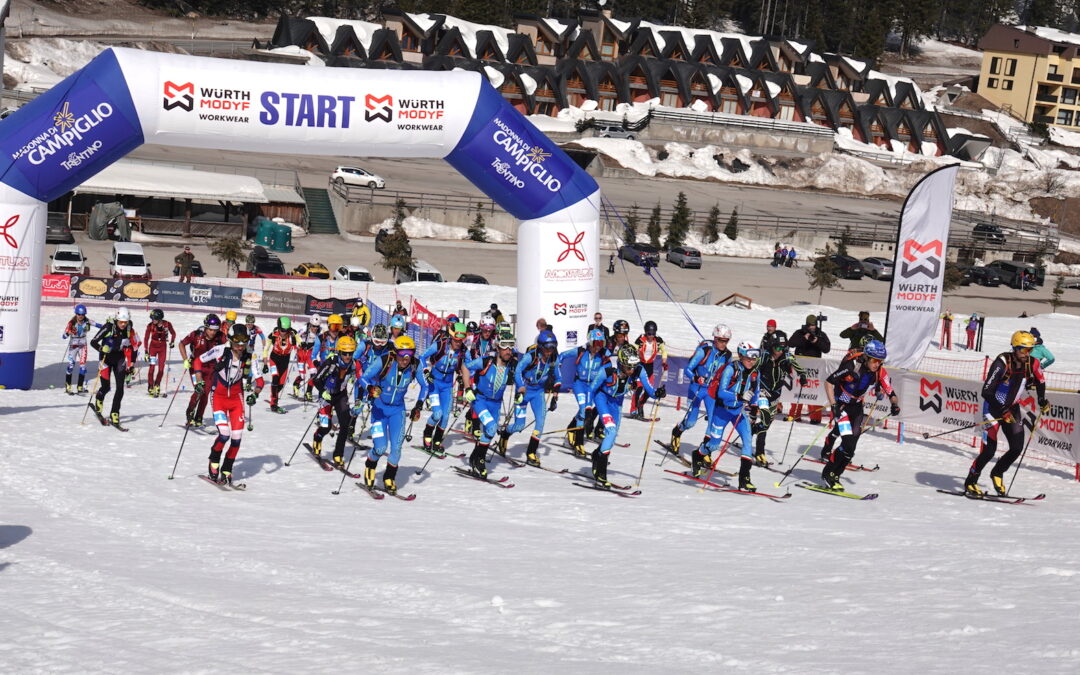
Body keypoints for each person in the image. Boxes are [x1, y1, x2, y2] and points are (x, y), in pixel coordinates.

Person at [964, 331, 1048, 496]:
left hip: (1012, 409)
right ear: (1015, 348)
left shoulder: (1033, 363)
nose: (1027, 354)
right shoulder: (1002, 362)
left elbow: (1040, 381)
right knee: (989, 451)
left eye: (1030, 350)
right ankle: (971, 480)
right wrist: (1002, 410)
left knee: (1016, 448)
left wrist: (1042, 399)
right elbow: (986, 391)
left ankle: (997, 472)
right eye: (1024, 350)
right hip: (993, 409)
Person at [821, 339, 900, 490]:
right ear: (866, 358)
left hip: (856, 407)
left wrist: (895, 404)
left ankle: (836, 475)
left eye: (880, 361)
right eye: (875, 360)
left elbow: (891, 392)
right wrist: (834, 406)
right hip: (842, 405)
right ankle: (828, 473)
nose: (877, 364)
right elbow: (829, 382)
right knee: (848, 442)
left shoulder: (880, 371)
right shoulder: (851, 366)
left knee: (851, 448)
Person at [358, 335, 429, 495]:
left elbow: (425, 386)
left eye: (409, 354)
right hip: (379, 410)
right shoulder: (384, 361)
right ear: (395, 352)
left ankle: (389, 477)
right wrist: (369, 388)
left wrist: (418, 405)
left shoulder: (415, 365)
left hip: (398, 411)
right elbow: (363, 377)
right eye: (402, 354)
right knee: (380, 447)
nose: (405, 359)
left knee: (396, 448)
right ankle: (370, 466)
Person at [691, 341, 765, 491]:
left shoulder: (755, 373)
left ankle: (744, 478)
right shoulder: (731, 369)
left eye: (754, 358)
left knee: (748, 441)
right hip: (722, 411)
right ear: (742, 356)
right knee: (714, 444)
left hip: (738, 412)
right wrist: (739, 396)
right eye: (749, 358)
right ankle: (697, 455)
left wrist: (755, 408)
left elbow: (756, 393)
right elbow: (721, 392)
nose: (752, 361)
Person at [589, 344, 666, 486]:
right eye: (628, 367)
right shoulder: (607, 369)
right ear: (621, 363)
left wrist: (657, 394)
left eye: (634, 367)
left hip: (617, 402)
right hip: (602, 398)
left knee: (611, 438)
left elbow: (649, 390)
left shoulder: (638, 369)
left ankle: (597, 455)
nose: (632, 371)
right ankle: (601, 473)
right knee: (611, 431)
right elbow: (591, 389)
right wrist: (588, 410)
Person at [197, 324, 264, 485]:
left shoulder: (250, 355)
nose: (240, 347)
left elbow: (260, 380)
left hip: (236, 399)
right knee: (224, 434)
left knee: (236, 438)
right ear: (230, 340)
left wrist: (255, 394)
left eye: (244, 343)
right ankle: (213, 462)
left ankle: (227, 469)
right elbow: (198, 361)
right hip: (218, 397)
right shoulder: (220, 350)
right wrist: (198, 381)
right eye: (237, 343)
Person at [668, 324, 733, 456]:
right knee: (691, 421)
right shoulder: (704, 350)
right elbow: (688, 369)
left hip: (711, 391)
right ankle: (677, 431)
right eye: (720, 340)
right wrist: (696, 377)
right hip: (696, 388)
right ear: (715, 338)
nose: (723, 344)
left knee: (712, 422)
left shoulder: (727, 355)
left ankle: (705, 452)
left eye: (725, 341)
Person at [465, 331, 520, 476]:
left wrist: (520, 392)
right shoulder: (487, 361)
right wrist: (467, 388)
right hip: (480, 400)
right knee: (491, 427)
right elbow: (465, 367)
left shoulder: (512, 365)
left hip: (496, 404)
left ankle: (474, 457)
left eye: (511, 347)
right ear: (497, 347)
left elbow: (521, 379)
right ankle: (480, 460)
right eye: (504, 347)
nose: (508, 351)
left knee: (489, 433)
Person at [506, 330, 563, 466]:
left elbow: (558, 377)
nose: (549, 351)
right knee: (519, 425)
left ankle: (531, 452)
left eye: (552, 347)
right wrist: (520, 387)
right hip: (524, 392)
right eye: (547, 348)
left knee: (540, 421)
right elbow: (518, 370)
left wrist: (555, 395)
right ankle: (504, 434)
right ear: (540, 346)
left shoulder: (554, 358)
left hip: (538, 392)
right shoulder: (531, 356)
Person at [420, 322, 474, 456]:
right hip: (434, 383)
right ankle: (427, 434)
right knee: (437, 414)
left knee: (445, 416)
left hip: (448, 386)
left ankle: (437, 441)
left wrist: (464, 375)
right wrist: (426, 371)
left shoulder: (463, 351)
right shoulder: (440, 345)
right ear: (451, 337)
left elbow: (471, 367)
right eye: (456, 340)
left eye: (461, 340)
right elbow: (422, 357)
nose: (458, 343)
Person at [753, 334, 807, 466]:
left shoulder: (787, 356)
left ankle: (750, 430)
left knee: (766, 424)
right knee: (765, 419)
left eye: (783, 348)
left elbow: (800, 369)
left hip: (776, 394)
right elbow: (752, 369)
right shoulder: (764, 356)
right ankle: (760, 452)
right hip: (762, 392)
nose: (780, 351)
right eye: (777, 347)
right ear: (771, 346)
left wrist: (803, 377)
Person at [311, 335, 364, 468]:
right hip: (326, 396)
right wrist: (322, 392)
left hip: (341, 395)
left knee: (345, 424)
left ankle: (338, 454)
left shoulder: (354, 364)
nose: (347, 356)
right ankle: (317, 437)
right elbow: (316, 379)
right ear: (339, 351)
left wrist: (360, 399)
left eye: (350, 353)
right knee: (326, 427)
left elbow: (362, 381)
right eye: (345, 353)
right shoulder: (331, 362)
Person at [558, 328, 611, 457]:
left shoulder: (604, 354)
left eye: (601, 344)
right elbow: (562, 355)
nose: (598, 347)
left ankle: (571, 428)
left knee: (585, 409)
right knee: (583, 409)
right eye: (596, 344)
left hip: (592, 387)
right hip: (579, 385)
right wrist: (557, 365)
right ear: (590, 342)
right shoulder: (581, 351)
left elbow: (613, 363)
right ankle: (578, 443)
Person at [89, 308, 141, 427]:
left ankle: (114, 413)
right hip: (105, 358)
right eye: (121, 322)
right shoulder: (108, 327)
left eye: (125, 322)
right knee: (106, 387)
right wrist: (102, 348)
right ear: (116, 320)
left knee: (120, 388)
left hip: (119, 359)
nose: (123, 324)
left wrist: (132, 363)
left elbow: (134, 347)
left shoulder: (129, 329)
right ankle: (99, 398)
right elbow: (93, 342)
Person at [179, 314, 226, 427]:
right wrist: (185, 359)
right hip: (196, 367)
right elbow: (181, 344)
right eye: (210, 330)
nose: (213, 332)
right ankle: (190, 412)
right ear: (205, 327)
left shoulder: (221, 336)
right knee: (199, 390)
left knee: (205, 394)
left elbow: (228, 348)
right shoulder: (196, 334)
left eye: (215, 330)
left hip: (211, 368)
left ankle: (199, 417)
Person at [787, 314, 831, 423]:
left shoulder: (820, 334)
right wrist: (804, 338)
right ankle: (794, 415)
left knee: (813, 393)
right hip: (800, 368)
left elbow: (826, 349)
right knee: (797, 391)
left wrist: (816, 341)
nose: (812, 327)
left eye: (814, 325)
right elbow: (791, 343)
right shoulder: (800, 332)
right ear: (806, 325)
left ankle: (815, 417)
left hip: (814, 371)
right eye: (810, 325)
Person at [630, 320, 667, 417]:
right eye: (649, 334)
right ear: (646, 332)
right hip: (640, 366)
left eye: (653, 334)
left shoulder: (658, 340)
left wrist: (664, 361)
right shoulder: (641, 340)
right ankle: (633, 410)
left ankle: (640, 405)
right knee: (638, 389)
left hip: (650, 366)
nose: (651, 336)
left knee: (648, 391)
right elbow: (633, 350)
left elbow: (664, 351)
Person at [62, 304, 100, 394]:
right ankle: (68, 386)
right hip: (73, 346)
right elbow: (63, 336)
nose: (80, 316)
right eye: (79, 314)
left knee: (83, 367)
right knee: (71, 366)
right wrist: (69, 332)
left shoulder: (87, 321)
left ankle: (80, 387)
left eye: (82, 315)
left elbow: (98, 325)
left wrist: (108, 326)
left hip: (83, 345)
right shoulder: (71, 323)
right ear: (76, 314)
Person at [263, 317, 297, 413]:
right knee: (275, 379)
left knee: (281, 385)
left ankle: (274, 395)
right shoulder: (273, 336)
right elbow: (266, 349)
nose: (284, 332)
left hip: (285, 361)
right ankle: (274, 404)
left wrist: (301, 345)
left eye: (286, 330)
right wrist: (265, 364)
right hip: (274, 359)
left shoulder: (291, 336)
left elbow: (298, 344)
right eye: (282, 330)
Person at [143, 308, 176, 397]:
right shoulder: (150, 326)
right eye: (152, 319)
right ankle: (150, 386)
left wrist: (172, 342)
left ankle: (157, 385)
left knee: (161, 369)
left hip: (162, 348)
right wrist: (146, 352)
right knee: (152, 368)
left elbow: (173, 333)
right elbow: (146, 339)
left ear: (160, 318)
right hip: (153, 347)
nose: (152, 320)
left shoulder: (167, 324)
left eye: (154, 319)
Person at [292, 316, 322, 400]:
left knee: (314, 373)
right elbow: (294, 336)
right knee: (302, 375)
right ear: (310, 324)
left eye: (317, 326)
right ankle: (296, 385)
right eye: (313, 326)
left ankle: (308, 392)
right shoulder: (304, 328)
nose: (315, 328)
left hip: (310, 353)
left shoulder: (320, 331)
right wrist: (297, 345)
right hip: (301, 352)